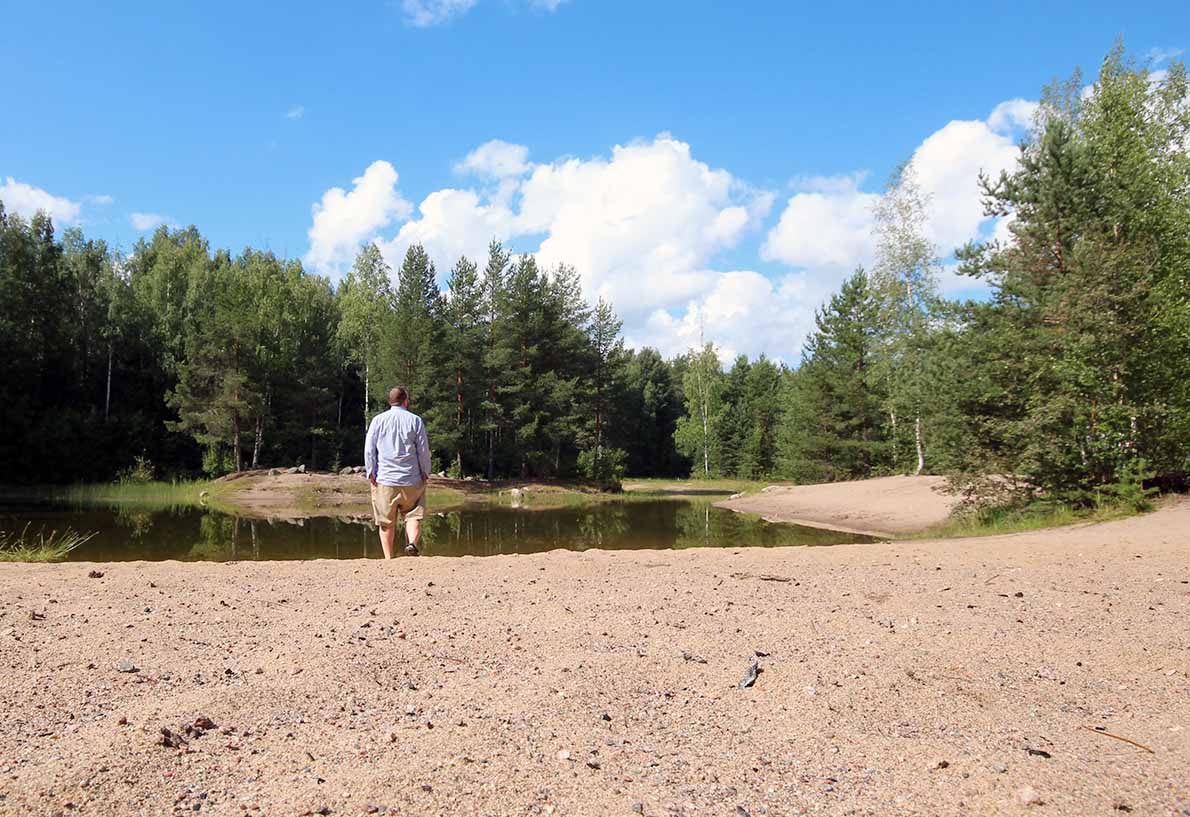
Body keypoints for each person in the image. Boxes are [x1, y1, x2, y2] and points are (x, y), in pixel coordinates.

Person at [364, 386, 431, 558]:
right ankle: (411, 544)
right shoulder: (415, 421)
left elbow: (370, 450)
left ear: (390, 402)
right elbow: (423, 450)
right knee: (413, 515)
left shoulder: (378, 420)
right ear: (406, 401)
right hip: (411, 479)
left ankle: (389, 558)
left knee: (386, 522)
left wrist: (371, 471)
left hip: (385, 479)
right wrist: (425, 471)